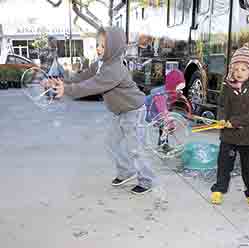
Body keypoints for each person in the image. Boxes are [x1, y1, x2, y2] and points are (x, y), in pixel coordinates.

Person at [48, 27, 156, 195]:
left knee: (135, 148)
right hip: (120, 112)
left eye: (103, 46)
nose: (98, 49)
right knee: (111, 143)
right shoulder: (100, 64)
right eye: (97, 44)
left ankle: (146, 180)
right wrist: (61, 81)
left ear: (113, 48)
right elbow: (83, 76)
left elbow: (92, 85)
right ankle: (126, 171)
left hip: (133, 111)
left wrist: (68, 90)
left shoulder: (114, 69)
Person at [210, 43, 249, 208]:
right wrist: (221, 119)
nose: (239, 73)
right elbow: (222, 106)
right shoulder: (227, 87)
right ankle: (219, 189)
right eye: (236, 69)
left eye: (243, 69)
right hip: (229, 136)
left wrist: (233, 122)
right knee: (224, 164)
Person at [144, 69, 186, 152]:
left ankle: (163, 144)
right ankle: (163, 145)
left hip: (155, 111)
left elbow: (167, 107)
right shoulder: (160, 95)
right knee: (164, 124)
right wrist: (171, 124)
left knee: (163, 125)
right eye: (178, 88)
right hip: (145, 110)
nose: (180, 91)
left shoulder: (171, 92)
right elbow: (163, 111)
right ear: (172, 85)